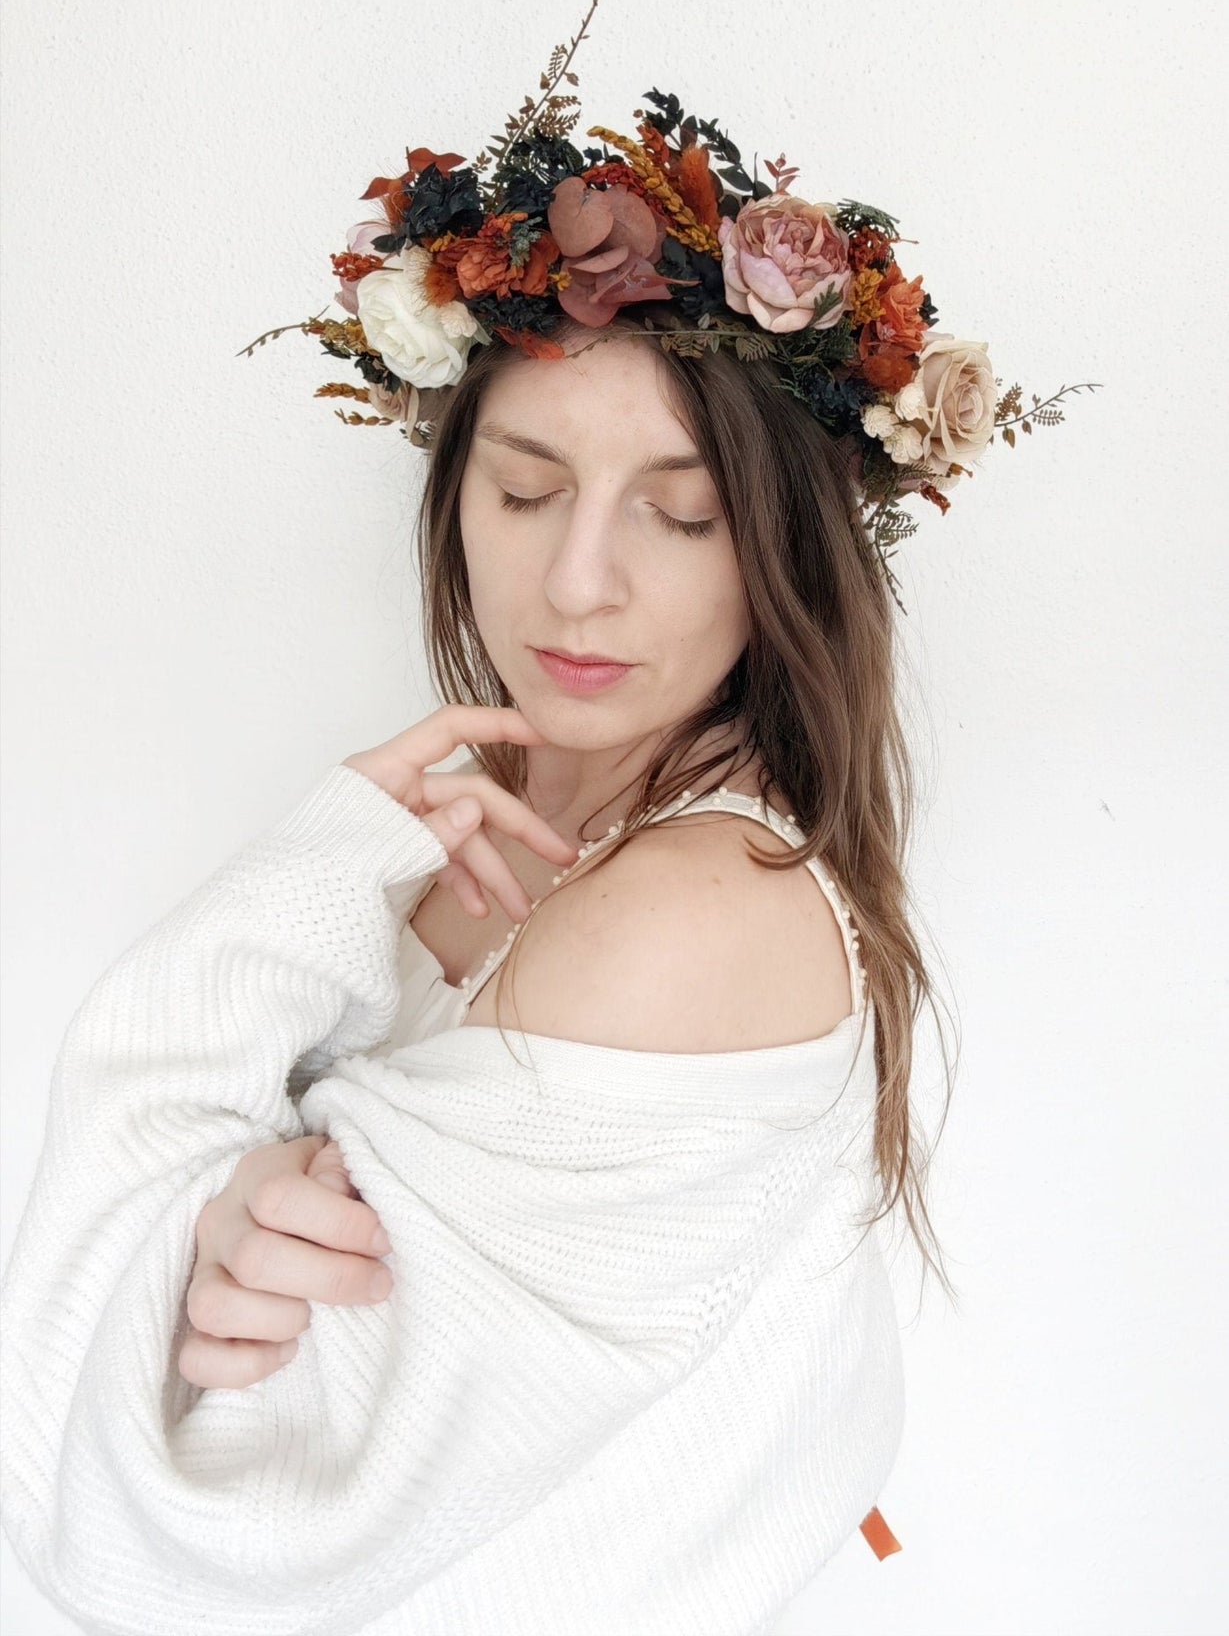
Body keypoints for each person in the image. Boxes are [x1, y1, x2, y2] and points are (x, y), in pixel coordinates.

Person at [0, 316, 930, 1634]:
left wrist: (291, 889)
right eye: (526, 492)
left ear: (787, 545)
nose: (578, 583)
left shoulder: (685, 916)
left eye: (685, 516)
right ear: (453, 498)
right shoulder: (468, 837)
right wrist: (226, 1214)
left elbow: (181, 1542)